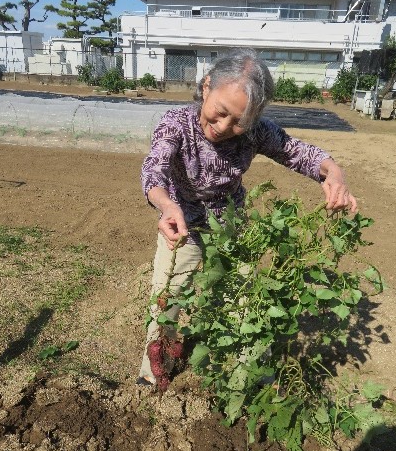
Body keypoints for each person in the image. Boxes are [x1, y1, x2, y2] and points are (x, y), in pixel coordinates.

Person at [137, 48, 357, 386]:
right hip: (181, 226)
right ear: (206, 86)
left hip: (232, 229)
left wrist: (334, 174)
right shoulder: (176, 123)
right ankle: (154, 371)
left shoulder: (257, 131)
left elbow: (299, 153)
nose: (224, 126)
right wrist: (167, 206)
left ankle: (251, 378)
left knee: (245, 303)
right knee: (167, 297)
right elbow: (155, 169)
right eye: (220, 112)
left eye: (239, 121)